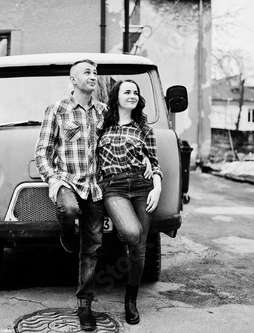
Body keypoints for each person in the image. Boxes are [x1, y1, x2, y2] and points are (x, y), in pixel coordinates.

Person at [34, 59, 106, 331]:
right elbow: (42, 151)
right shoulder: (57, 109)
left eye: (95, 72)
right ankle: (66, 236)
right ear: (73, 80)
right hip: (66, 180)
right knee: (69, 210)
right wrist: (52, 178)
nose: (93, 76)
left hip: (95, 186)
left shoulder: (103, 112)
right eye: (87, 72)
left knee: (93, 248)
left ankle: (85, 307)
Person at [98, 79, 162, 325]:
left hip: (142, 187)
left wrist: (156, 188)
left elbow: (155, 164)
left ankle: (131, 299)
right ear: (117, 97)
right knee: (132, 233)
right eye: (127, 92)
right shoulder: (102, 126)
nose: (132, 95)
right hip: (113, 187)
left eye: (135, 92)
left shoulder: (144, 129)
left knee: (139, 248)